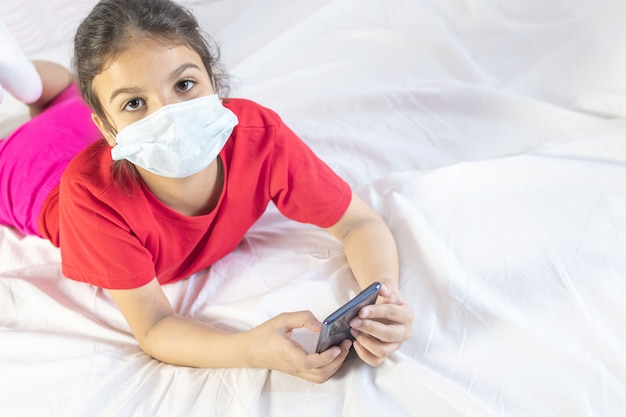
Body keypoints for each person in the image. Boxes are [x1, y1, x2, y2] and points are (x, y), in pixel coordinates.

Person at [0, 0, 413, 383]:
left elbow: (357, 221)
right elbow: (155, 326)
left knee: (61, 94)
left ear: (214, 83)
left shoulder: (258, 136)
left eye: (183, 85)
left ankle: (27, 80)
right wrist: (250, 348)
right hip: (33, 168)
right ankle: (24, 81)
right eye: (135, 104)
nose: (169, 115)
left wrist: (383, 299)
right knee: (53, 105)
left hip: (89, 122)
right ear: (107, 129)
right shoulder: (90, 198)